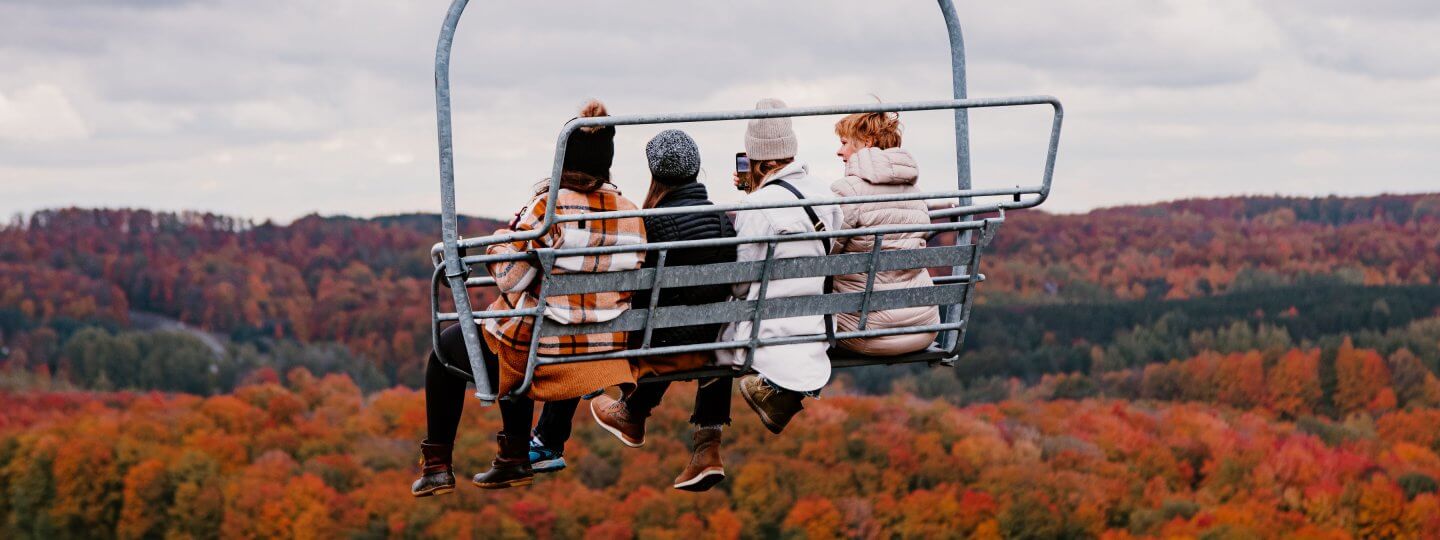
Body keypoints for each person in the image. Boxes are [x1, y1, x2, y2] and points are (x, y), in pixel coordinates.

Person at [412, 99, 646, 496]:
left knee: (449, 349)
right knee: (512, 327)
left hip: (543, 347)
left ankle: (439, 463)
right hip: (599, 350)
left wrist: (500, 245)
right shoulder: (632, 213)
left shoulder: (549, 208)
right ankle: (512, 456)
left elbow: (511, 279)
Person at [572, 129, 739, 491]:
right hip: (711, 342)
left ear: (656, 174)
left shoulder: (651, 224)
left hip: (656, 344)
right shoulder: (724, 222)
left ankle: (630, 413)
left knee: (633, 322)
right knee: (707, 330)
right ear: (696, 171)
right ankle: (707, 446)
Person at [718, 98, 842, 434]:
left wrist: (751, 199)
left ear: (753, 157)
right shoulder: (824, 195)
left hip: (764, 335)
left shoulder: (757, 205)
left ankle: (707, 441)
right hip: (815, 329)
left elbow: (739, 284)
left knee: (708, 325)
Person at [828, 110, 939, 355]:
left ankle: (778, 388)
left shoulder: (847, 191)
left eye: (844, 143)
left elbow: (822, 256)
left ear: (866, 143)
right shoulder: (916, 193)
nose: (839, 151)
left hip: (867, 332)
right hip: (923, 328)